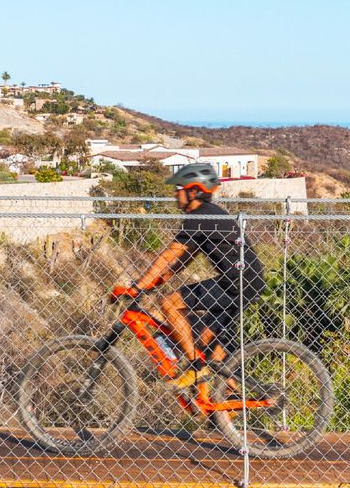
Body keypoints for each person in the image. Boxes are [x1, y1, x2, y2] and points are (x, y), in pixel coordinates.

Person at [109, 161, 265, 379]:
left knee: (169, 303)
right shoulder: (210, 213)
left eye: (179, 189)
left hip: (235, 283)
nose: (175, 194)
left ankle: (194, 365)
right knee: (209, 347)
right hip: (248, 282)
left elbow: (169, 255)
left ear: (194, 191)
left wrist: (138, 287)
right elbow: (186, 258)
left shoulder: (198, 216)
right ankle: (227, 401)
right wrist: (161, 279)